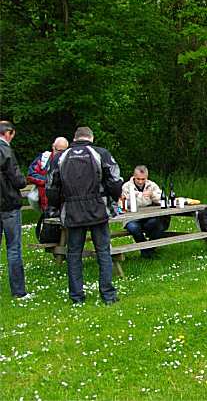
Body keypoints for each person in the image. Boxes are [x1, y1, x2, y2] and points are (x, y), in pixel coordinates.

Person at [46, 126, 124, 305]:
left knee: (74, 254)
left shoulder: (60, 157)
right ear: (91, 137)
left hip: (72, 210)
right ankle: (108, 295)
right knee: (103, 251)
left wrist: (58, 205)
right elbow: (115, 181)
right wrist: (112, 200)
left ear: (74, 138)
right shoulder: (101, 154)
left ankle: (76, 296)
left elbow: (51, 186)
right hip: (97, 208)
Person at [0, 121, 29, 299]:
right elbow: (18, 179)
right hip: (8, 203)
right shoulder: (6, 150)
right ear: (9, 133)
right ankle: (19, 291)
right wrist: (23, 181)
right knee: (13, 248)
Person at [119, 165, 170, 259]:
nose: (140, 181)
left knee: (160, 224)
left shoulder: (152, 185)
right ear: (134, 176)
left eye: (143, 179)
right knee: (133, 228)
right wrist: (140, 195)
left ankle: (149, 249)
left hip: (149, 216)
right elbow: (123, 202)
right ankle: (146, 250)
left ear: (147, 177)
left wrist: (152, 194)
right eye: (138, 179)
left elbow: (163, 200)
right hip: (132, 217)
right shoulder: (126, 186)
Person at [27, 137, 69, 211]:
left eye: (64, 151)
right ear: (53, 147)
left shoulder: (69, 160)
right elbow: (31, 175)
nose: (61, 154)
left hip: (65, 205)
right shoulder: (44, 159)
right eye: (58, 150)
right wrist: (48, 181)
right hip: (45, 204)